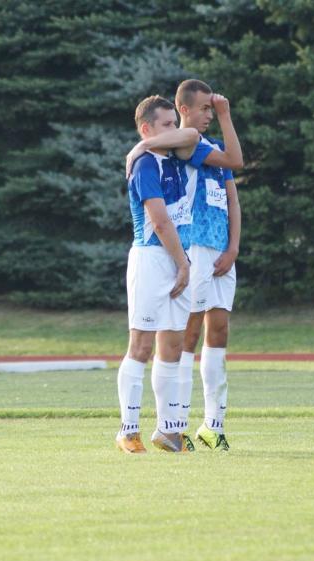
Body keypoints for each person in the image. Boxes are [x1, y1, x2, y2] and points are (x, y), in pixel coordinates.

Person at [125, 79, 243, 451]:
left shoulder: (199, 142)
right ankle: (156, 426)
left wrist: (234, 247)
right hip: (178, 250)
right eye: (205, 108)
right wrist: (142, 147)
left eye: (214, 108)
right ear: (185, 109)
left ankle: (191, 427)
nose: (210, 113)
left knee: (195, 335)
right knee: (167, 339)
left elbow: (233, 175)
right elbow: (184, 137)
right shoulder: (178, 146)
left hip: (206, 249)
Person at [115, 95, 198, 453]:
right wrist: (182, 263)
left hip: (179, 259)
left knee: (174, 345)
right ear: (147, 127)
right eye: (166, 124)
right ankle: (127, 431)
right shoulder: (146, 164)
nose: (174, 130)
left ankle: (167, 430)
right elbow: (160, 221)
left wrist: (147, 141)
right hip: (152, 258)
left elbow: (192, 134)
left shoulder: (173, 154)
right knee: (142, 344)